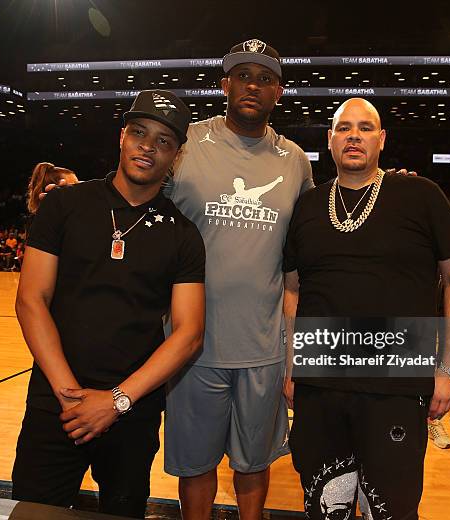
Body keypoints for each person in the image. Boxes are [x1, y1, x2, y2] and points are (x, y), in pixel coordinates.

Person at [11, 89, 205, 518]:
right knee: (31, 512)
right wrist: (71, 397)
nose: (148, 147)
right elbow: (31, 300)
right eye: (139, 133)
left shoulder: (183, 234)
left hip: (131, 413)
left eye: (163, 141)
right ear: (122, 137)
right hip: (55, 404)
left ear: (175, 155)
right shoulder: (64, 205)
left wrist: (115, 401)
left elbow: (190, 333)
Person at [283, 98, 450, 519]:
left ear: (382, 139)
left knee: (390, 509)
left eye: (365, 128)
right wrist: (291, 365)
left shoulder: (421, 195)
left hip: (396, 389)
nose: (354, 135)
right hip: (320, 387)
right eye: (344, 127)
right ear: (329, 141)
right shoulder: (308, 207)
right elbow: (293, 291)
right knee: (322, 505)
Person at [162, 39, 314, 520]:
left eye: (265, 78)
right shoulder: (184, 145)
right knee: (196, 464)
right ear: (224, 84)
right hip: (191, 345)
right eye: (243, 75)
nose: (253, 85)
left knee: (254, 463)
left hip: (263, 346)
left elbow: (301, 260)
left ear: (280, 92)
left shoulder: (294, 161)